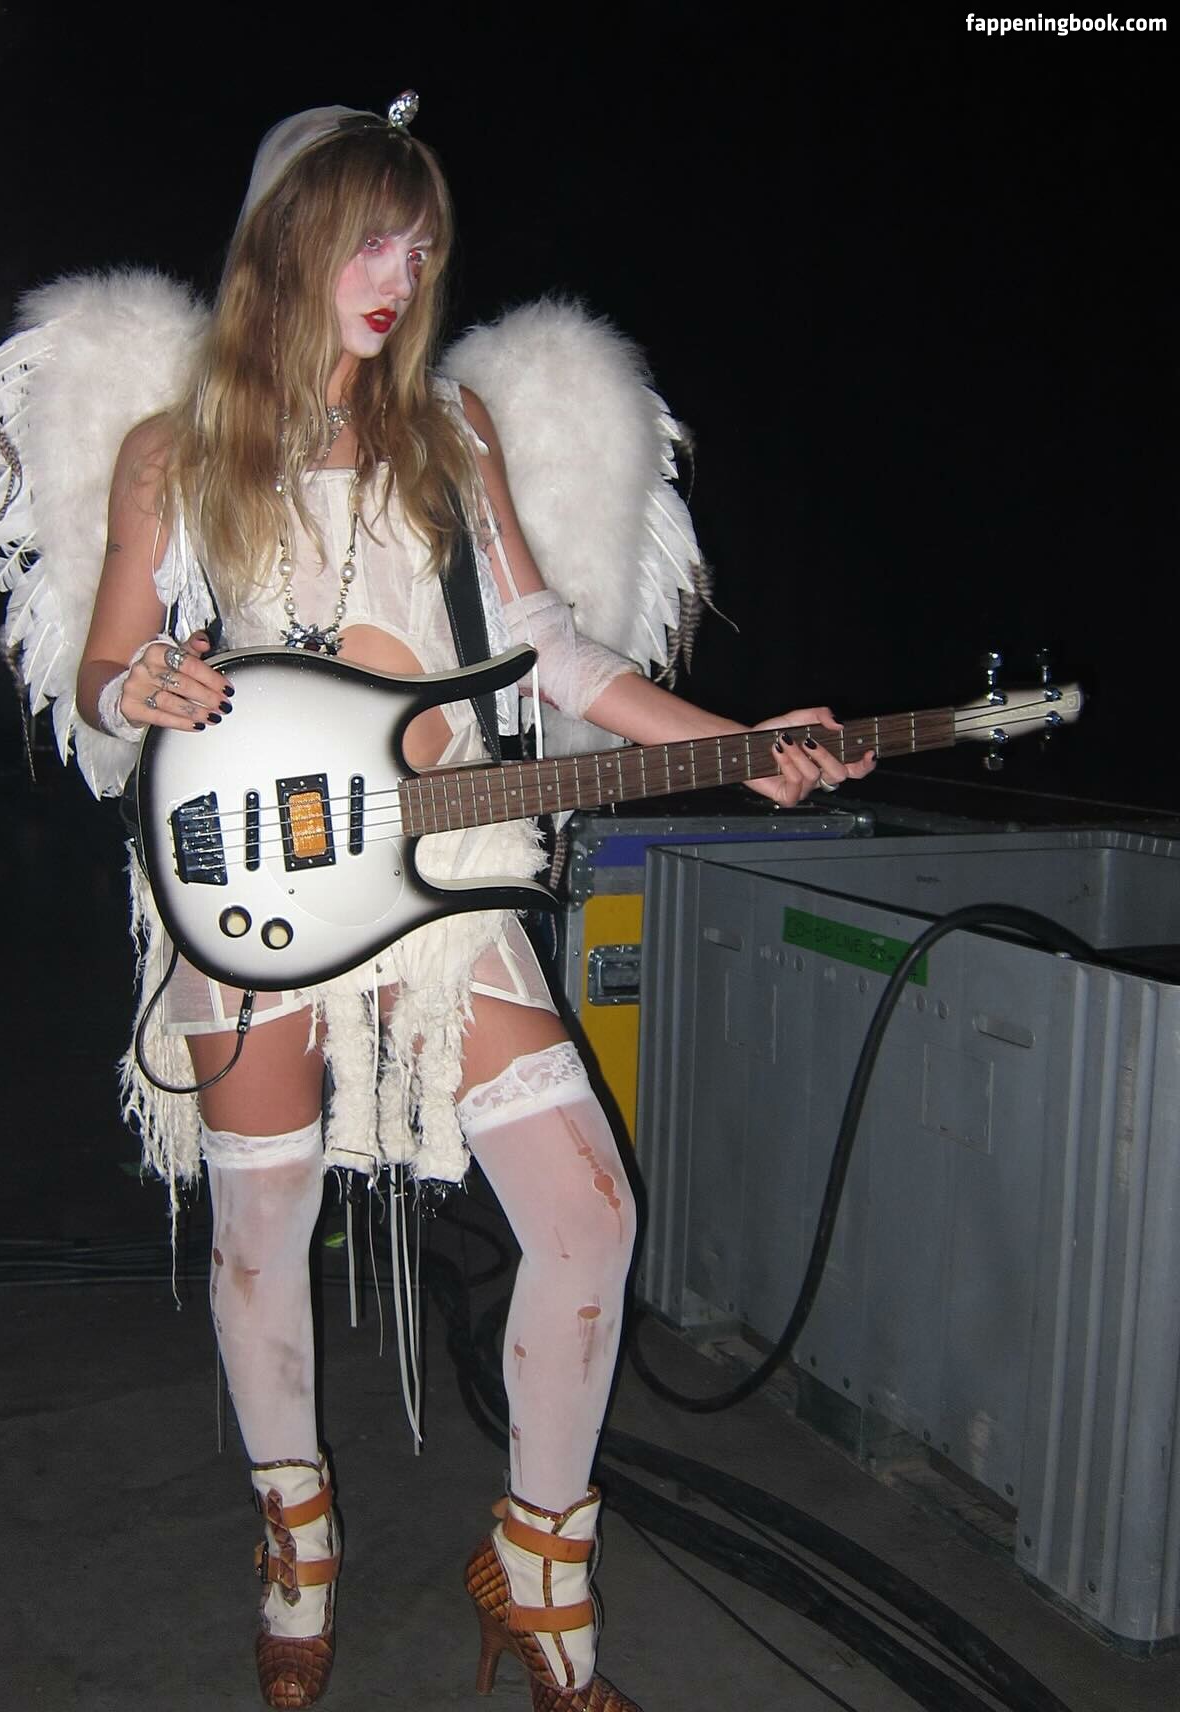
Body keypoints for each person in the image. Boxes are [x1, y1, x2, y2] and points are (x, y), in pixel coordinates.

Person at [75, 95, 874, 1712]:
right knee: (260, 1233)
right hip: (261, 893)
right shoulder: (176, 449)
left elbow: (551, 650)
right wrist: (134, 687)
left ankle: (538, 1571)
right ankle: (295, 1546)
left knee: (588, 1216)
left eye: (422, 246)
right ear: (289, 237)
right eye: (371, 239)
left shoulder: (451, 432)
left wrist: (740, 745)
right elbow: (100, 673)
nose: (400, 275)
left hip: (444, 885)